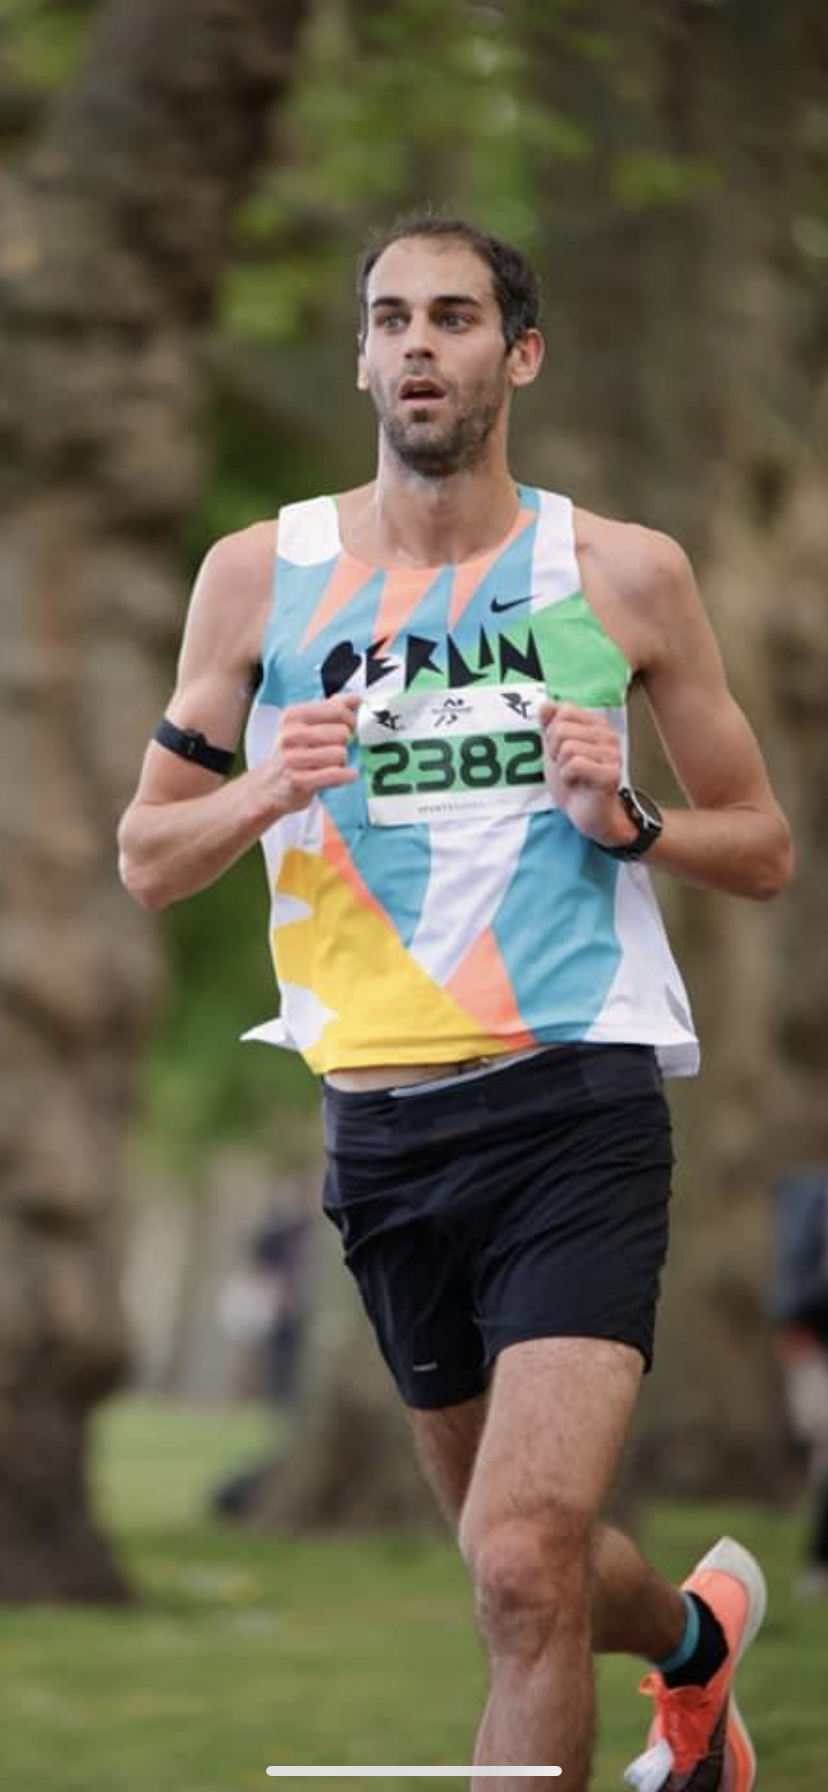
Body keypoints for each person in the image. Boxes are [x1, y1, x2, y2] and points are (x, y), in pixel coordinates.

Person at [118, 213, 793, 1791]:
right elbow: (147, 857)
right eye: (390, 319)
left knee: (519, 1563)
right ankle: (694, 1649)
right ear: (361, 359)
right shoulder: (261, 577)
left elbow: (762, 847)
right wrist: (260, 789)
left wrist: (632, 822)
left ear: (521, 354)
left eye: (455, 317)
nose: (417, 342)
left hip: (573, 1108)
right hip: (380, 1139)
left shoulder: (618, 573)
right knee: (523, 1564)